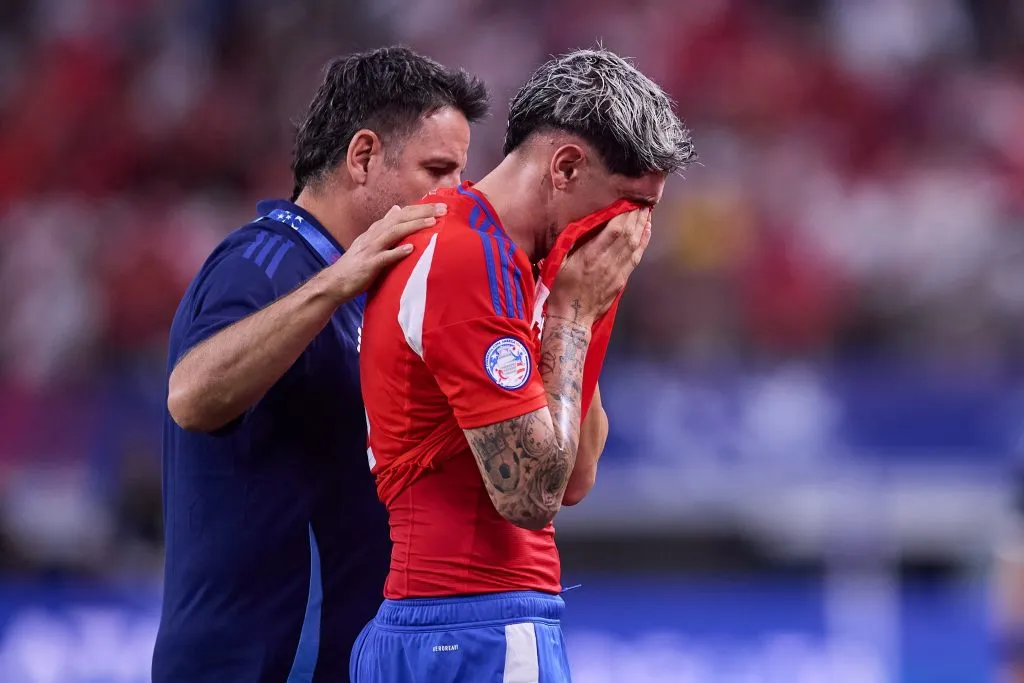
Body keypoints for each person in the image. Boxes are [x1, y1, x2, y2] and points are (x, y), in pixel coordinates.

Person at [354, 48, 695, 682]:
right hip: (472, 625)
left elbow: (576, 474)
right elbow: (532, 493)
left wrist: (579, 307)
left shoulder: (525, 271)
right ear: (565, 167)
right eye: (631, 205)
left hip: (463, 623)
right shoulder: (466, 258)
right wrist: (569, 314)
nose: (637, 234)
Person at [153, 46, 489, 683]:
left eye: (462, 176)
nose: (455, 196)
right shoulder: (262, 264)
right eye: (438, 169)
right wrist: (336, 283)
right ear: (363, 157)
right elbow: (191, 396)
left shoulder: (376, 290)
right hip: (252, 665)